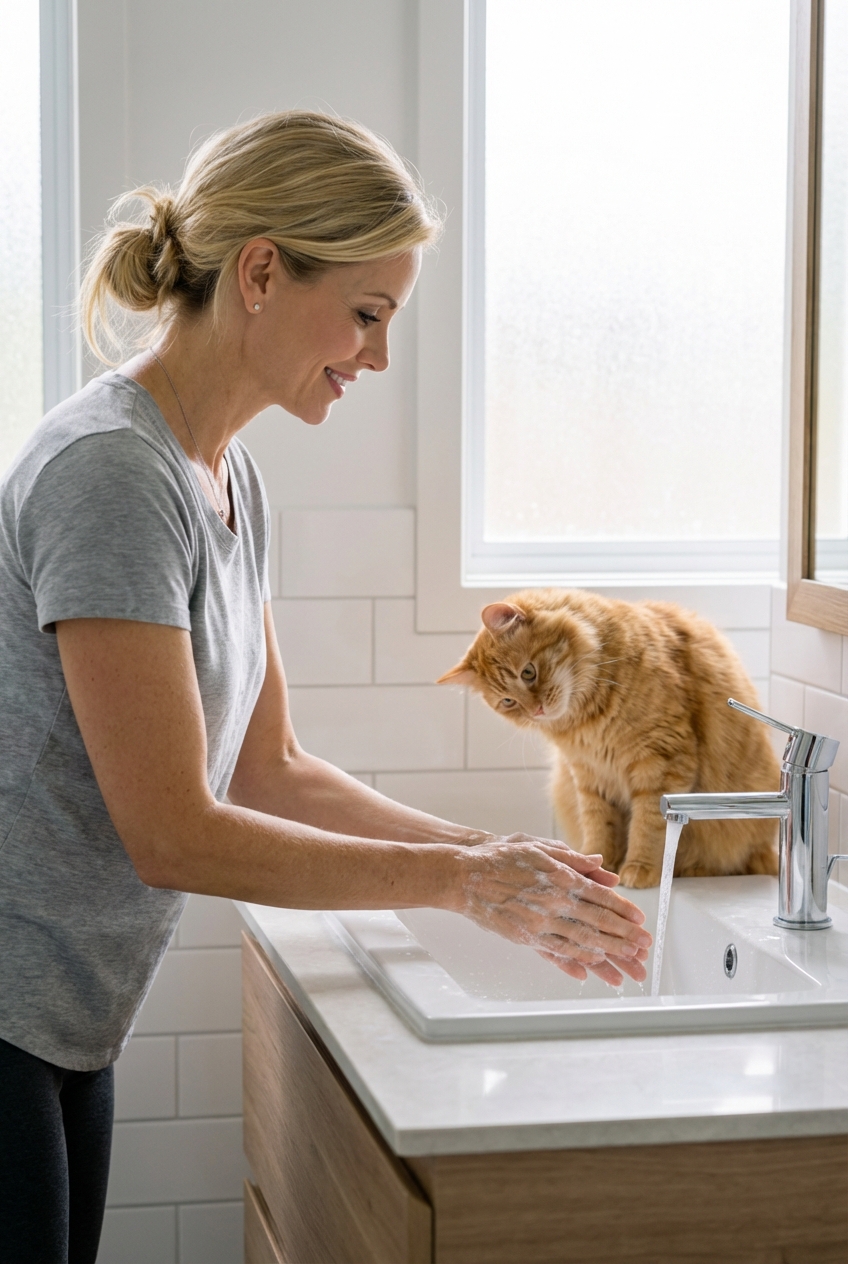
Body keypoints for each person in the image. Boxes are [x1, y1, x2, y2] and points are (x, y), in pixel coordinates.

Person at [0, 110, 651, 1262]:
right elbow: (174, 834)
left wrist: (499, 862)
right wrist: (459, 880)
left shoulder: (221, 477)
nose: (377, 357)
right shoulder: (112, 474)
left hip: (62, 1020)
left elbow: (270, 766)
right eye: (366, 313)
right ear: (259, 272)